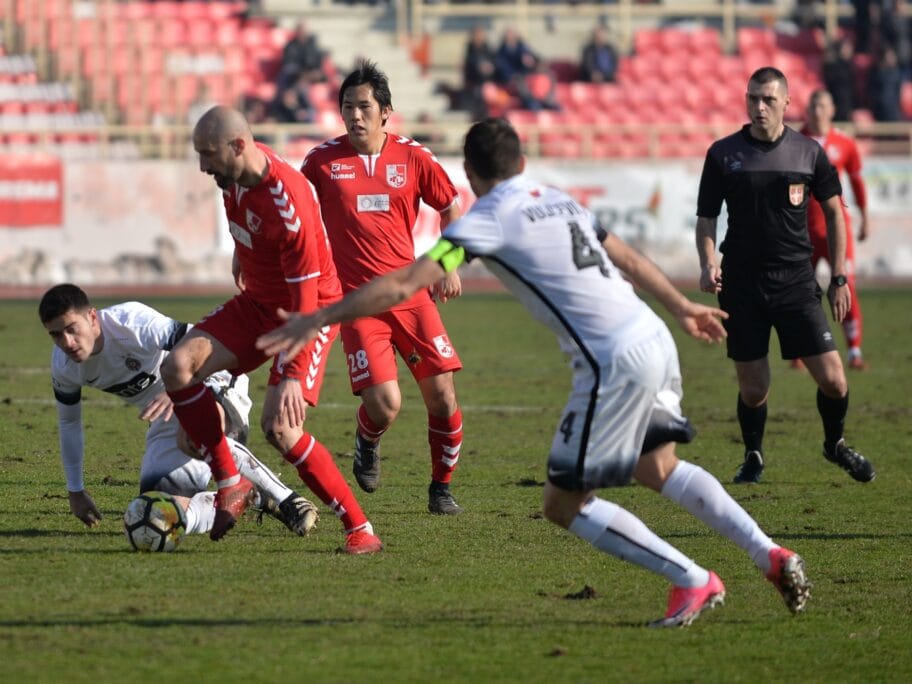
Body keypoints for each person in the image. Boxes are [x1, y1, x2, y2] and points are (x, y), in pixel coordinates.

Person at [258, 117, 813, 627]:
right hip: (652, 337)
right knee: (658, 467)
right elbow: (626, 256)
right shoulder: (558, 198)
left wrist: (323, 314)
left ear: (471, 174)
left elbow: (405, 283)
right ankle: (771, 553)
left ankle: (691, 580)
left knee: (562, 502)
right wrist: (682, 306)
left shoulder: (485, 222)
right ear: (521, 163)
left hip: (610, 360)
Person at [159, 105, 383, 553]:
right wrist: (244, 256)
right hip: (259, 304)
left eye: (207, 154)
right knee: (178, 367)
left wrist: (292, 376)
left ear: (238, 146)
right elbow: (245, 224)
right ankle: (231, 483)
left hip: (308, 311)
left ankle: (360, 528)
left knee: (280, 428)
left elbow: (304, 299)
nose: (202, 166)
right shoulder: (234, 176)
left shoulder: (287, 200)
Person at [695, 66, 876, 485]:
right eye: (753, 99)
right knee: (754, 389)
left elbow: (834, 212)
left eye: (769, 100)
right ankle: (753, 455)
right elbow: (706, 218)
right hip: (741, 283)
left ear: (786, 104)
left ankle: (835, 445)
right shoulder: (723, 154)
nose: (759, 107)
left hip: (795, 281)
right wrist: (708, 260)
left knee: (834, 379)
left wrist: (840, 276)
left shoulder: (808, 152)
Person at [301, 61, 465, 516]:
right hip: (356, 303)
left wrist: (448, 263)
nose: (355, 116)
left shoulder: (413, 158)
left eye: (364, 107)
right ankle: (366, 441)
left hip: (410, 293)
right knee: (385, 405)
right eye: (347, 107)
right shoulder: (320, 162)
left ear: (386, 112)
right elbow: (291, 210)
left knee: (443, 395)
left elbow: (451, 206)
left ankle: (440, 488)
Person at [38, 284, 319, 539]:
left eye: (71, 329)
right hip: (168, 414)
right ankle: (251, 496)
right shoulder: (64, 367)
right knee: (158, 515)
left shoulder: (132, 323)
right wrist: (75, 490)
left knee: (195, 434)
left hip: (215, 377)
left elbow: (204, 347)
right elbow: (69, 424)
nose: (67, 343)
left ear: (92, 317)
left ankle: (288, 501)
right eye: (55, 335)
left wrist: (181, 388)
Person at [801, 89, 871, 370]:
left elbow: (856, 183)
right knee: (799, 293)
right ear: (807, 109)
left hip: (836, 231)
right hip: (802, 232)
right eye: (813, 104)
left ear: (832, 109)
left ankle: (854, 351)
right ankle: (799, 353)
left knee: (846, 286)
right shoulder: (794, 141)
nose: (817, 110)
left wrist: (865, 217)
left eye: (822, 105)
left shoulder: (845, 143)